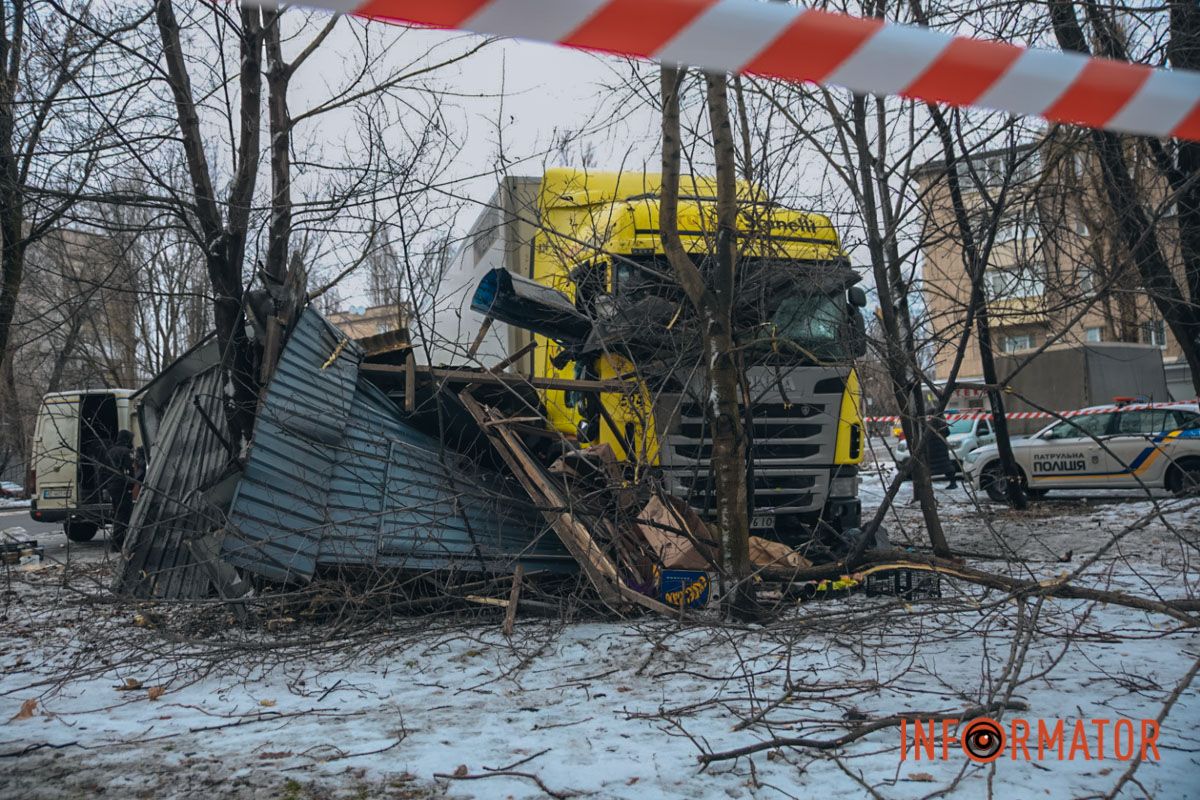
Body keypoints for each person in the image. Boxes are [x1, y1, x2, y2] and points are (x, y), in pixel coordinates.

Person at [105, 430, 136, 547]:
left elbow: (103, 471)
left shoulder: (109, 452)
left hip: (111, 486)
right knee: (123, 514)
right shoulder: (127, 452)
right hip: (122, 486)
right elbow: (129, 470)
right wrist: (131, 485)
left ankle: (117, 542)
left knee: (117, 512)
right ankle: (118, 543)